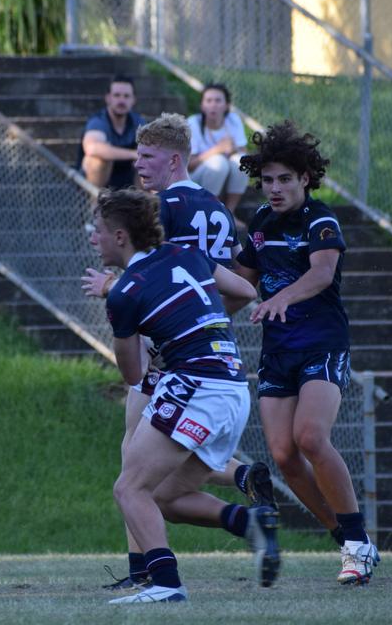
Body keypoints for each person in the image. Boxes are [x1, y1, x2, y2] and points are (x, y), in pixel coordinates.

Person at [82, 114, 278, 591]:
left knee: (134, 470)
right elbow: (228, 284)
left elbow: (149, 272)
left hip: (176, 364)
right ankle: (243, 498)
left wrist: (124, 297)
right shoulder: (214, 206)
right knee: (157, 474)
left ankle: (146, 572)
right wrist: (202, 320)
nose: (139, 164)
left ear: (174, 158)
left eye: (147, 156)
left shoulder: (163, 207)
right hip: (213, 360)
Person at [234, 122, 381, 585]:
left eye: (285, 179)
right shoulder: (259, 223)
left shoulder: (321, 219)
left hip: (321, 343)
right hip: (278, 351)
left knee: (311, 438)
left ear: (304, 179)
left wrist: (281, 298)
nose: (274, 189)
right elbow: (240, 285)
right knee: (282, 454)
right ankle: (348, 540)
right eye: (268, 180)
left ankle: (357, 544)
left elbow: (321, 275)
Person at [187, 84, 249, 230]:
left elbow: (243, 151)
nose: (213, 105)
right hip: (197, 177)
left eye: (218, 100)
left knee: (240, 161)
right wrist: (217, 149)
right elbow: (189, 165)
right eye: (208, 100)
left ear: (226, 105)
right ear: (202, 105)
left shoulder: (233, 120)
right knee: (218, 162)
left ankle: (229, 212)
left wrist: (233, 149)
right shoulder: (193, 123)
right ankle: (209, 214)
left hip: (224, 173)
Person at [79, 75, 146, 189]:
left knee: (147, 163)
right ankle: (95, 205)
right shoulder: (98, 120)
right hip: (93, 184)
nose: (121, 100)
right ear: (108, 98)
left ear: (133, 100)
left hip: (128, 179)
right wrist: (133, 154)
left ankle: (144, 205)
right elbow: (92, 148)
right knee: (98, 160)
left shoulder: (138, 121)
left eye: (126, 96)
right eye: (117, 95)